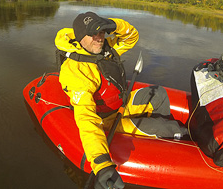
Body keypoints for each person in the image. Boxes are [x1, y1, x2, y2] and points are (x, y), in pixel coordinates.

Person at [55, 11, 187, 189]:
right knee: (171, 129)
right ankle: (169, 137)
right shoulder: (76, 71)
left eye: (101, 32)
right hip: (107, 120)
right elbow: (86, 119)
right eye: (93, 33)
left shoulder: (106, 48)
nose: (99, 38)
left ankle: (158, 128)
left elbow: (132, 36)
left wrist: (111, 24)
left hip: (121, 104)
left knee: (159, 94)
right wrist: (102, 164)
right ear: (80, 37)